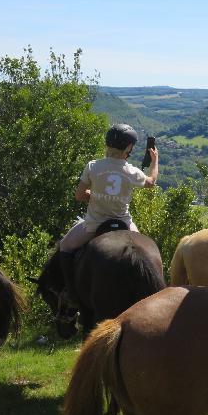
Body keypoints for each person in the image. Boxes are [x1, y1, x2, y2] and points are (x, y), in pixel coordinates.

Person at [56, 123, 158, 308]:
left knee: (65, 246)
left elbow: (79, 196)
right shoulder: (132, 171)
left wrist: (95, 196)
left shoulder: (93, 166)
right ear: (128, 147)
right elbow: (151, 182)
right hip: (124, 223)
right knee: (143, 251)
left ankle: (72, 293)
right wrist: (154, 161)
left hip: (94, 223)